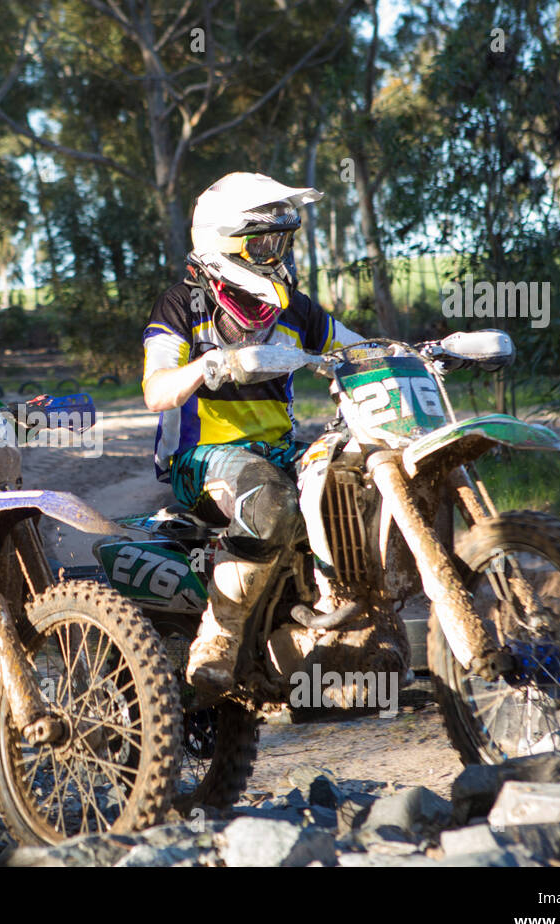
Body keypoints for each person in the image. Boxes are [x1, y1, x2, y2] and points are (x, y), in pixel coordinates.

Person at [141, 171, 364, 694]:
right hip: (202, 457)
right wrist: (209, 367)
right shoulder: (181, 305)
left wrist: (414, 354)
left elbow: (359, 350)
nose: (276, 254)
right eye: (262, 243)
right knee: (270, 499)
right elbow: (156, 391)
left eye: (282, 242)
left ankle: (335, 624)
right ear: (223, 244)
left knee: (351, 486)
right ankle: (218, 635)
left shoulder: (295, 308)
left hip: (279, 450)